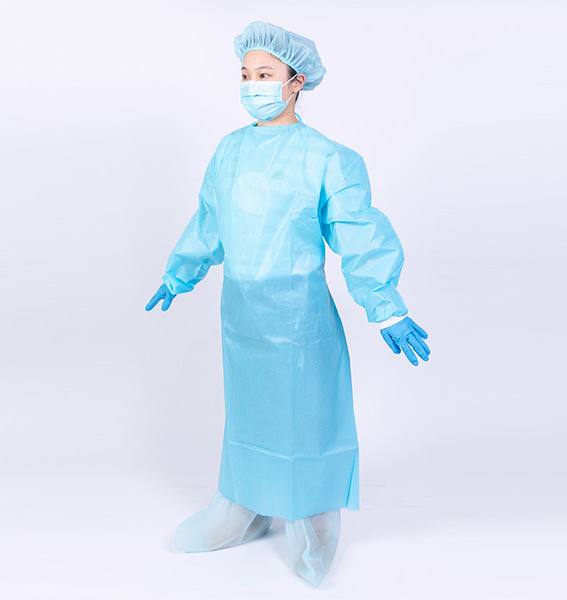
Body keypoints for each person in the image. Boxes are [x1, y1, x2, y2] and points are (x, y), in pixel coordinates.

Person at [145, 21, 431, 589]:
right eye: (246, 74)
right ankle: (243, 507)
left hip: (299, 321)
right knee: (249, 416)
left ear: (295, 81)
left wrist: (386, 306)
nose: (252, 84)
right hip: (242, 317)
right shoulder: (229, 152)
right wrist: (179, 274)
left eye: (265, 74)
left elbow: (358, 232)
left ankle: (312, 528)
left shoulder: (327, 158)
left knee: (305, 421)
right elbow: (210, 221)